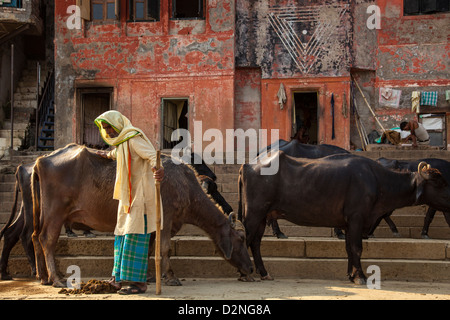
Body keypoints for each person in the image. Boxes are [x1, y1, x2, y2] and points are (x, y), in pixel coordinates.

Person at [94, 110, 164, 295]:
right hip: (128, 196)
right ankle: (117, 278)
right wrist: (106, 155)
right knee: (121, 235)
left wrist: (158, 169)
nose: (107, 132)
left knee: (135, 235)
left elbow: (152, 156)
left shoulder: (133, 139)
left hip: (140, 196)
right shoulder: (123, 142)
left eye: (109, 127)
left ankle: (138, 284)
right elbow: (118, 153)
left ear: (118, 125)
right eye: (105, 128)